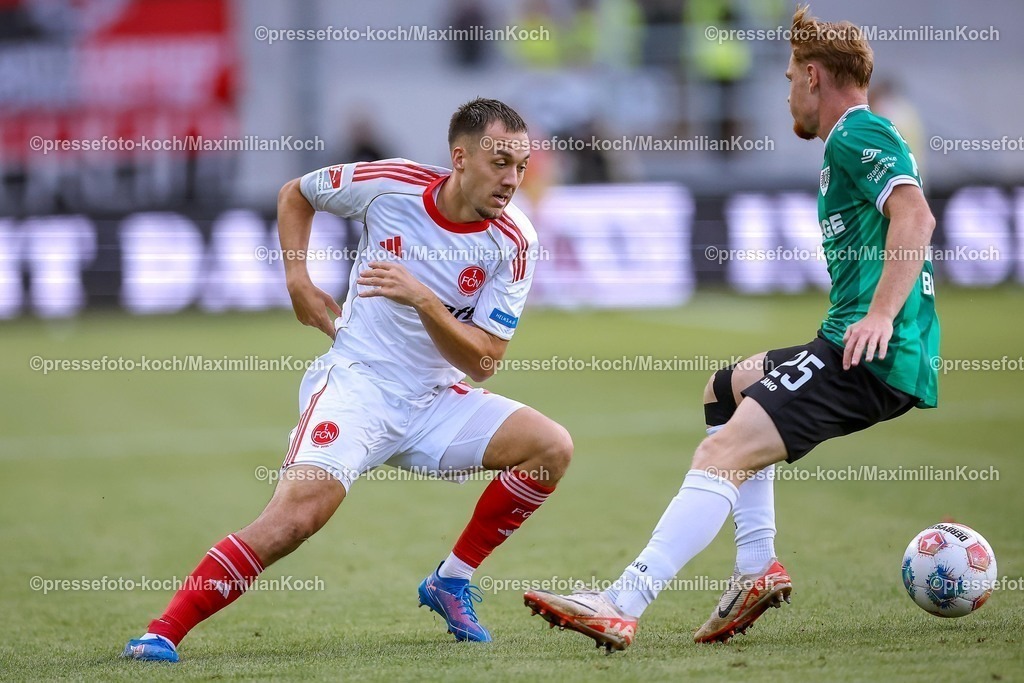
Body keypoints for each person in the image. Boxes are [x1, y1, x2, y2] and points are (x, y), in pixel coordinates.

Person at [523, 4, 940, 651]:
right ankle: (756, 567)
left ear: (813, 78)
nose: (786, 94)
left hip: (871, 353)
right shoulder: (853, 138)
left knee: (720, 454)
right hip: (856, 341)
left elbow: (916, 218)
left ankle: (620, 602)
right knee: (726, 388)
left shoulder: (859, 132)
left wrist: (882, 314)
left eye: (787, 79)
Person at [122, 98, 573, 662]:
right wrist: (296, 277)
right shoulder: (390, 186)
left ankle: (450, 581)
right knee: (297, 517)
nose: (512, 179)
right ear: (460, 157)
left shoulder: (514, 242)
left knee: (550, 448)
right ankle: (162, 632)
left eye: (521, 166)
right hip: (357, 384)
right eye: (500, 161)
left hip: (434, 400)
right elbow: (297, 193)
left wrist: (423, 300)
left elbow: (483, 361)